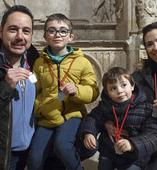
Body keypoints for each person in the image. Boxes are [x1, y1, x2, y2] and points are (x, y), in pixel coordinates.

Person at [27, 13, 99, 170]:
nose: (57, 34)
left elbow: (93, 91)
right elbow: (35, 91)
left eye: (62, 31)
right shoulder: (39, 63)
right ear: (45, 36)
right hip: (47, 116)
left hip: (71, 115)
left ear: (71, 36)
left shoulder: (82, 62)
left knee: (63, 146)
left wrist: (77, 90)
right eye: (51, 30)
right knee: (34, 158)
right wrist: (40, 107)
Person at [78, 66, 157, 170]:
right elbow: (93, 118)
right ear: (107, 92)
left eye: (123, 85)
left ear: (132, 86)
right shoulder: (105, 106)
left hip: (135, 158)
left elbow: (155, 134)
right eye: (113, 88)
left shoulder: (145, 108)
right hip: (108, 153)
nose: (119, 91)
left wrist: (133, 144)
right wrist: (89, 133)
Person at [0, 5, 39, 170]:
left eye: (26, 31)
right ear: (1, 32)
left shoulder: (37, 61)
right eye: (13, 29)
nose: (20, 36)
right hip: (4, 157)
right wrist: (6, 87)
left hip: (30, 154)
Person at [133, 20, 157, 170]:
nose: (155, 48)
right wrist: (110, 123)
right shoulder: (137, 77)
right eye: (149, 44)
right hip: (145, 144)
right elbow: (113, 102)